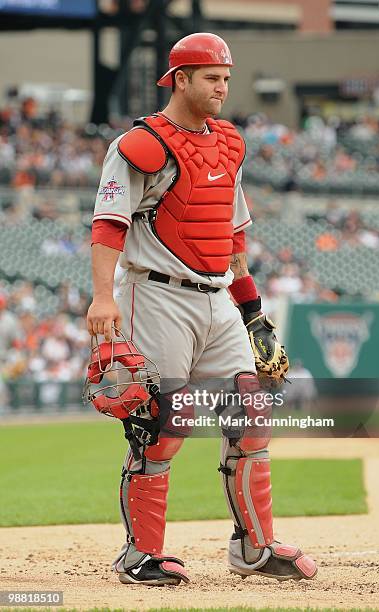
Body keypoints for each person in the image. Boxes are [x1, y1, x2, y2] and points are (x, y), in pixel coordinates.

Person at [87, 32, 317, 586]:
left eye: (227, 78)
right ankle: (140, 554)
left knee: (251, 414)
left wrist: (254, 313)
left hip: (218, 298)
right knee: (164, 425)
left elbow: (231, 237)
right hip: (157, 292)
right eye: (212, 77)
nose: (222, 87)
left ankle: (254, 548)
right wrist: (102, 297)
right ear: (180, 79)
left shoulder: (228, 144)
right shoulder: (140, 145)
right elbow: (108, 224)